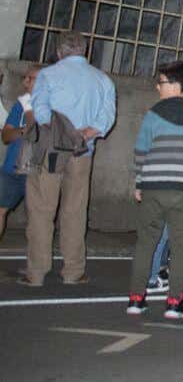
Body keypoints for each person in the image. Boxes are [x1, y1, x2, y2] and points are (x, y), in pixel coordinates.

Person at [21, 30, 116, 287]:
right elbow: (107, 117)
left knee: (41, 209)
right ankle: (73, 271)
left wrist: (59, 131)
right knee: (75, 210)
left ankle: (37, 271)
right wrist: (87, 131)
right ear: (84, 50)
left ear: (59, 51)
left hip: (51, 151)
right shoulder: (102, 79)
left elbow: (40, 112)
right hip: (82, 151)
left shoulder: (48, 75)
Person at [126, 61, 183, 319]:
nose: (158, 87)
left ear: (176, 85)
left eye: (162, 82)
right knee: (180, 246)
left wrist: (140, 181)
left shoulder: (155, 113)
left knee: (146, 243)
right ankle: (175, 303)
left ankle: (136, 298)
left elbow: (141, 151)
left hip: (154, 184)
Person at [0, 65, 40, 241]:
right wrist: (24, 131)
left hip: (40, 168)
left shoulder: (56, 104)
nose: (25, 82)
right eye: (25, 77)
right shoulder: (21, 104)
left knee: (38, 217)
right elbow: (6, 135)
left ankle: (37, 263)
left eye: (30, 78)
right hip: (13, 166)